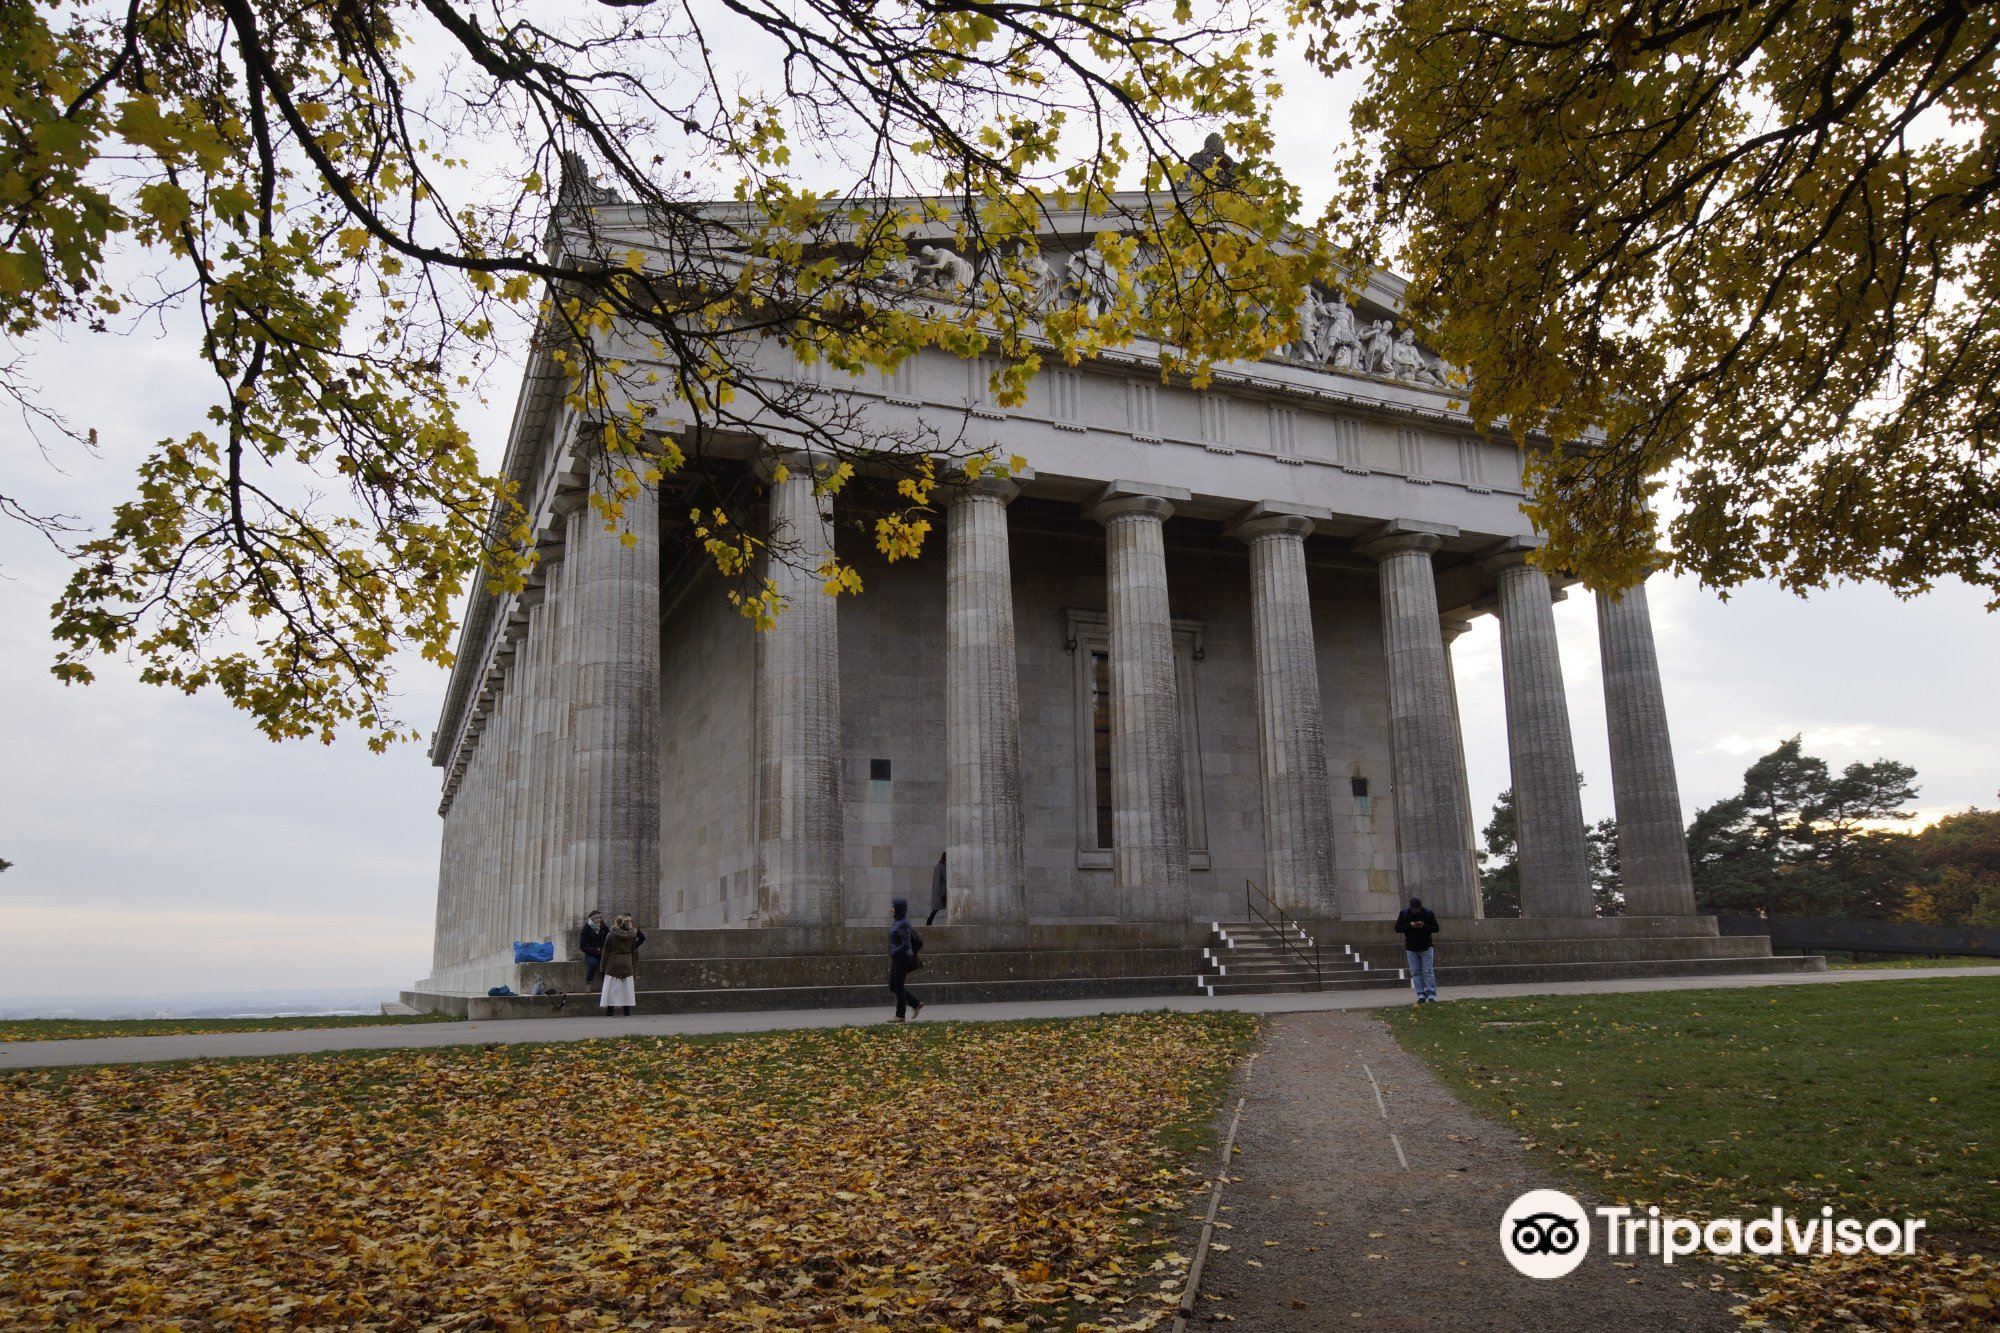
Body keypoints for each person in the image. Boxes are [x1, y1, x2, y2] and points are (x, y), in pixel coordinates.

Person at [1393, 896, 1441, 1003]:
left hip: (1426, 946)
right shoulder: (1404, 914)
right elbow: (1397, 928)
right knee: (1415, 972)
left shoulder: (1428, 913)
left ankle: (1431, 994)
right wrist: (1409, 925)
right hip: (1411, 947)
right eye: (1414, 909)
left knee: (1428, 971)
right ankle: (1420, 994)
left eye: (1418, 909)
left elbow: (1436, 928)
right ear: (1410, 907)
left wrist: (1423, 925)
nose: (1416, 912)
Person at [598, 914, 645, 1017]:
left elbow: (606, 952)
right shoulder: (631, 936)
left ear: (616, 923)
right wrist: (632, 966)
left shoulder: (611, 935)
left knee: (612, 988)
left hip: (613, 964)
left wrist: (602, 966)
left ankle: (610, 1011)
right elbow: (633, 952)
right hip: (627, 963)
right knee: (626, 989)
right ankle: (626, 1011)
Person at [888, 897, 925, 1022]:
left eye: (893, 907)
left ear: (899, 909)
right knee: (893, 985)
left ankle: (900, 1015)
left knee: (898, 985)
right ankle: (915, 1003)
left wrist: (893, 951)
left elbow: (905, 944)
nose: (891, 909)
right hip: (898, 958)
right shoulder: (898, 921)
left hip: (902, 958)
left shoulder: (903, 924)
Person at [579, 910, 609, 988]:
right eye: (597, 918)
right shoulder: (587, 928)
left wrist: (603, 949)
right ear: (592, 919)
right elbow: (582, 946)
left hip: (602, 952)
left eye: (600, 918)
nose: (599, 920)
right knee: (593, 964)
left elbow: (608, 940)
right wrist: (594, 950)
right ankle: (588, 984)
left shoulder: (604, 928)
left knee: (605, 965)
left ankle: (605, 985)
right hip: (591, 952)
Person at [927, 852, 948, 926]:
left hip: (938, 891)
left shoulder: (937, 866)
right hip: (943, 891)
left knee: (936, 908)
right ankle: (929, 921)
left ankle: (929, 921)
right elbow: (946, 878)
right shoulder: (943, 867)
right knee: (938, 907)